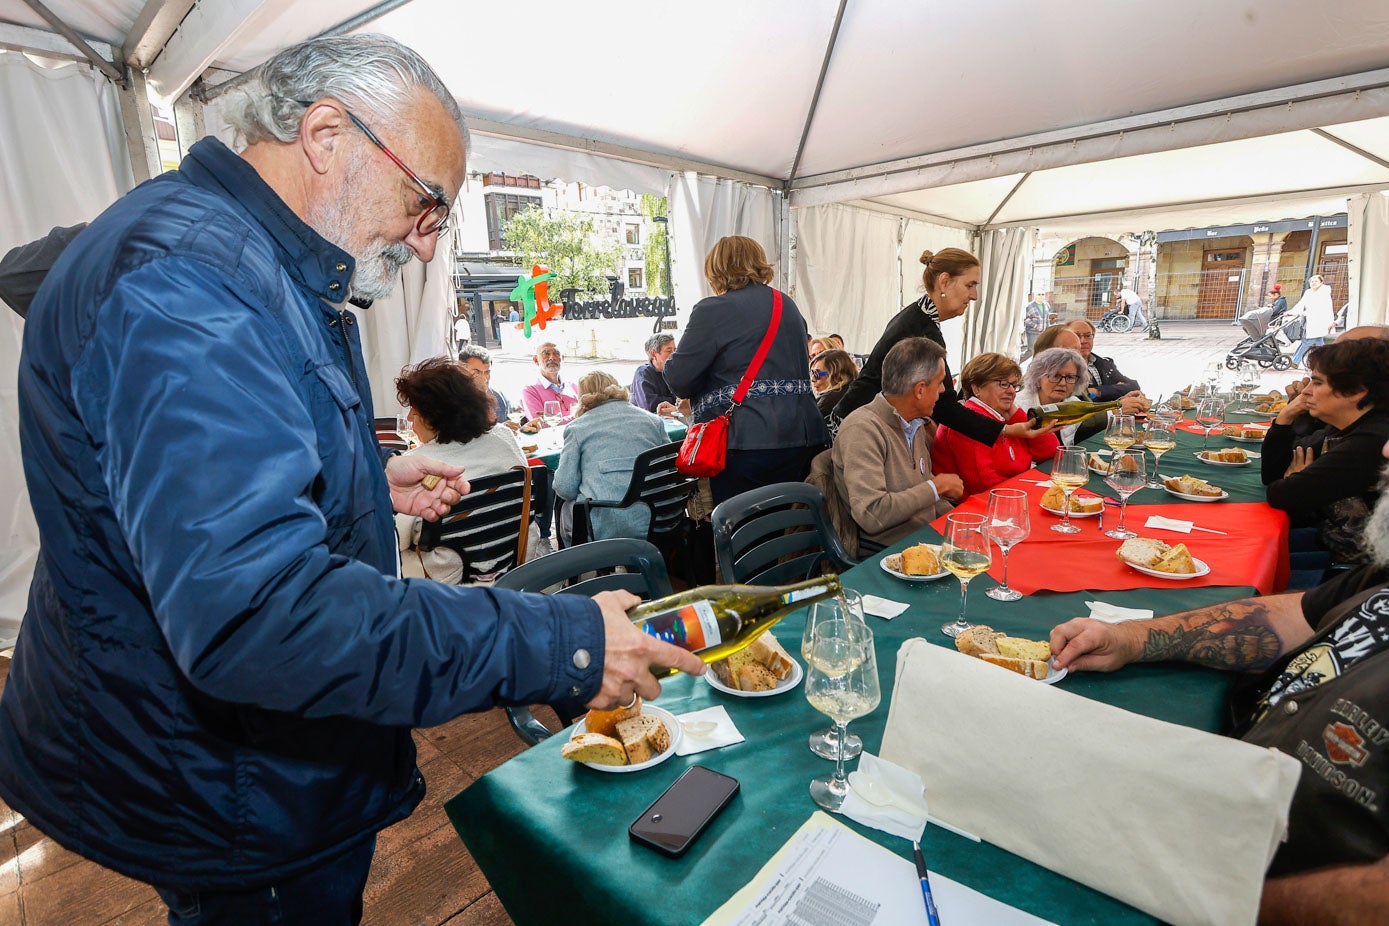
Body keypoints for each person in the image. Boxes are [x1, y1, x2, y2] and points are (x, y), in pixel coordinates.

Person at [0, 34, 703, 924]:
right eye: (426, 203)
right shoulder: (190, 282)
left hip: (230, 759)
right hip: (229, 785)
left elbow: (181, 468)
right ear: (327, 134)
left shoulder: (236, 251)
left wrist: (362, 478)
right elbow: (256, 613)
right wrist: (556, 643)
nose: (423, 243)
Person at [1049, 439, 1389, 917]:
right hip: (1221, 791)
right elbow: (1294, 615)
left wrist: (1213, 903)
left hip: (1240, 880)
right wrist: (1133, 638)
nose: (1387, 448)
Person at [833, 248, 1051, 453]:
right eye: (970, 285)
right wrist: (1007, 430)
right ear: (944, 282)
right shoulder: (921, 331)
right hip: (859, 434)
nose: (974, 295)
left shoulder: (917, 316)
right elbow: (944, 406)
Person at [663, 236, 829, 505]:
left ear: (715, 270)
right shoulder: (785, 304)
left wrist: (671, 362)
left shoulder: (712, 310)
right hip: (803, 435)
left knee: (749, 535)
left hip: (746, 442)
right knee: (790, 527)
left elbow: (680, 380)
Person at [394, 358, 538, 581]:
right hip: (512, 569)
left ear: (433, 416)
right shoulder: (504, 438)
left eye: (414, 411)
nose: (410, 418)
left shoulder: (418, 464)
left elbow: (398, 538)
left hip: (446, 585)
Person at [1262, 338, 1389, 565]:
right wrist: (1285, 417)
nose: (1306, 392)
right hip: (1332, 544)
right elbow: (1273, 473)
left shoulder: (1370, 441)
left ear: (1356, 391)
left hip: (1357, 571)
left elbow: (1282, 494)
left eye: (1318, 383)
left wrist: (1292, 480)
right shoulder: (1347, 426)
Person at [831, 337, 963, 549]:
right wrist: (936, 487)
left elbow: (923, 492)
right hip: (887, 554)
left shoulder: (914, 423)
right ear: (920, 390)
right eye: (940, 383)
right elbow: (872, 514)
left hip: (926, 540)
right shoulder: (862, 430)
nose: (942, 391)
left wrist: (959, 522)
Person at [554, 371, 672, 545]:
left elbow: (565, 488)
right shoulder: (653, 421)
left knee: (563, 505)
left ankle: (575, 567)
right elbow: (670, 468)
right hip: (661, 518)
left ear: (583, 396)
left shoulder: (578, 428)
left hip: (606, 526)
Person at [933, 352, 1060, 498]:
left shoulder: (1002, 414)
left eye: (1014, 385)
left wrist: (1017, 415)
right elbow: (983, 486)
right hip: (981, 506)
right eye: (1003, 384)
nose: (1012, 391)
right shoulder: (968, 423)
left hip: (1012, 493)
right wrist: (1027, 494)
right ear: (977, 389)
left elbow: (1051, 453)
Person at [1067, 318, 1143, 401]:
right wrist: (1116, 390)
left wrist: (1098, 391)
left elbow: (1133, 386)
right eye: (1077, 336)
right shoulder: (1063, 368)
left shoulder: (1104, 364)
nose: (1083, 341)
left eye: (1088, 336)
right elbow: (1078, 398)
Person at [521, 340, 580, 424]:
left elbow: (588, 416)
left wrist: (554, 419)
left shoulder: (573, 386)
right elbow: (539, 425)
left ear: (562, 358)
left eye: (556, 353)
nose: (552, 357)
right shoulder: (530, 390)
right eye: (546, 354)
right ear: (536, 360)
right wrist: (577, 415)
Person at [630, 331, 686, 417]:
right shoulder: (643, 373)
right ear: (653, 354)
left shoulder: (674, 370)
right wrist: (676, 401)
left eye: (675, 350)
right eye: (668, 351)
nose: (674, 355)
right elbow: (651, 405)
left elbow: (686, 399)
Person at [1291, 274, 1336, 368]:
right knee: (1318, 342)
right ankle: (1328, 361)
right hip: (1310, 321)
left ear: (1321, 282)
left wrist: (1304, 313)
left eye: (1316, 281)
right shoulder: (1308, 292)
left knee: (1308, 341)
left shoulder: (1324, 292)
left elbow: (1321, 307)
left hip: (1320, 321)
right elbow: (1301, 303)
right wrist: (1292, 312)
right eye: (1311, 281)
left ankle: (1295, 361)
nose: (1313, 283)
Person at [458, 343, 510, 423]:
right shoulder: (453, 401)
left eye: (487, 372)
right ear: (461, 371)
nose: (484, 379)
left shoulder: (497, 396)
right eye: (476, 372)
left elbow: (504, 422)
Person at [811, 348, 859, 422]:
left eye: (817, 374)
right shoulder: (855, 392)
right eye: (812, 373)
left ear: (836, 375)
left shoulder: (827, 402)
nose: (813, 379)